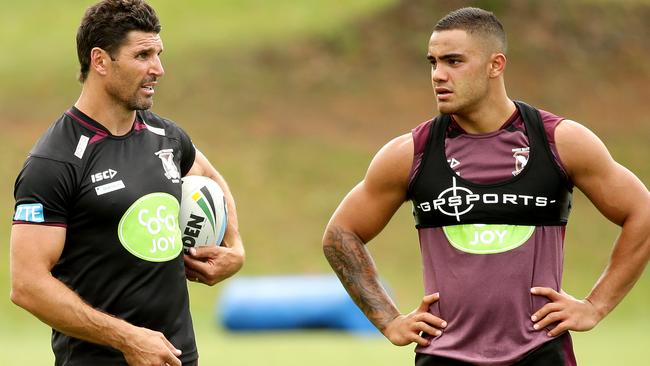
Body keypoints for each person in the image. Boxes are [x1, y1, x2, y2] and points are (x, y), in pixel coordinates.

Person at [322, 7, 649, 366]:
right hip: (443, 356)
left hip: (540, 354)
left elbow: (643, 214)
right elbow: (341, 234)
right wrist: (388, 321)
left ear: (496, 65)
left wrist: (595, 306)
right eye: (433, 62)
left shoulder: (559, 142)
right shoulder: (410, 153)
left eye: (453, 61)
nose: (438, 75)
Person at [9, 1, 245, 365]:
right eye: (143, 55)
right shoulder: (54, 160)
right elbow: (27, 285)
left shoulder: (165, 136)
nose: (158, 69)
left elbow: (209, 175)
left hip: (178, 357)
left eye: (159, 54)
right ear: (100, 60)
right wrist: (127, 339)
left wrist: (235, 248)